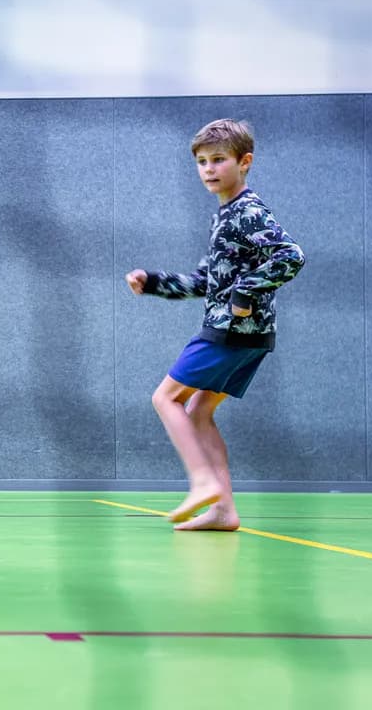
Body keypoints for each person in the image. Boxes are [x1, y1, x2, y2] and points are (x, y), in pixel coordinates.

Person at [125, 118, 304, 530]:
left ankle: (202, 481)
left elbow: (291, 255)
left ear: (244, 162)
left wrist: (245, 294)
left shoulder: (248, 211)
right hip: (248, 335)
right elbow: (205, 281)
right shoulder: (224, 217)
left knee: (165, 399)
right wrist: (153, 283)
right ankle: (223, 511)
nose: (208, 168)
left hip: (231, 330)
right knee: (200, 410)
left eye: (218, 159)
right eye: (202, 161)